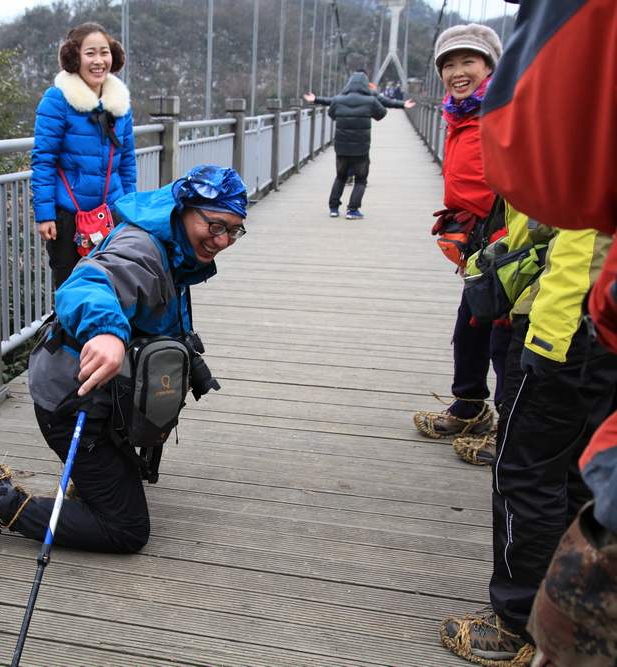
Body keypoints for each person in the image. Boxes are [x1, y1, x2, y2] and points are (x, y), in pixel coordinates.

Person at [0, 165, 248, 555]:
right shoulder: (143, 250)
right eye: (216, 226)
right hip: (72, 400)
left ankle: (90, 475)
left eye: (234, 230)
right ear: (183, 209)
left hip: (104, 393)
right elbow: (85, 285)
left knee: (122, 481)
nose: (223, 240)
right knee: (126, 529)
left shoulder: (175, 249)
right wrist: (107, 332)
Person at [476, 1, 617, 664]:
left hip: (573, 318)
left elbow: (536, 163)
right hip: (593, 315)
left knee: (527, 472)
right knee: (583, 475)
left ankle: (514, 623)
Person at [411, 24, 511, 460]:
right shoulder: (459, 112)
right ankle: (470, 406)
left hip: (509, 240)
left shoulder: (506, 109)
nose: (457, 71)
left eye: (468, 61)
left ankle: (511, 430)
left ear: (490, 65)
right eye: (449, 64)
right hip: (476, 241)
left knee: (506, 338)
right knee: (470, 327)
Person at [31, 22, 137, 289]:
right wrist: (45, 215)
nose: (99, 60)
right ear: (74, 57)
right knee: (69, 291)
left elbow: (127, 163)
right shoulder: (57, 100)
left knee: (111, 289)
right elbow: (44, 160)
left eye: (105, 52)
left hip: (111, 214)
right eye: (90, 53)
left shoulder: (120, 105)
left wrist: (129, 208)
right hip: (68, 218)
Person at [299, 71, 392, 220]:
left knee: (340, 177)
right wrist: (374, 99)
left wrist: (319, 100)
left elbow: (332, 114)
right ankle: (352, 210)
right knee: (361, 180)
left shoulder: (338, 100)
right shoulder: (370, 100)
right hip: (361, 149)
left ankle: (334, 208)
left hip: (341, 148)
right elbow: (382, 114)